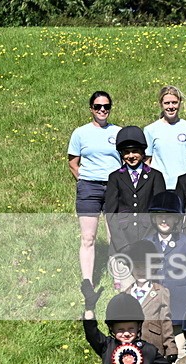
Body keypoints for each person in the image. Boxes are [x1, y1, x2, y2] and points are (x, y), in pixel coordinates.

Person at [121, 240, 178, 364]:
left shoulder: (161, 292)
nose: (141, 271)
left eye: (145, 266)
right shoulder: (126, 293)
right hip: (131, 347)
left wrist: (170, 346)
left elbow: (166, 319)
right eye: (137, 267)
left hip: (154, 343)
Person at [68, 90, 122, 285]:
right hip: (89, 189)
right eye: (98, 106)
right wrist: (85, 181)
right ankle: (88, 281)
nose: (102, 110)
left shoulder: (118, 132)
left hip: (114, 188)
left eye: (106, 106)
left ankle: (118, 276)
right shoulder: (80, 133)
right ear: (91, 108)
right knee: (88, 237)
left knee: (114, 235)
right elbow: (73, 163)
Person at [146, 191, 186, 362]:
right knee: (157, 352)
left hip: (180, 303)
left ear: (177, 219)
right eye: (160, 216)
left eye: (169, 216)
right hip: (155, 305)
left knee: (179, 353)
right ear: (153, 219)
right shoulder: (147, 242)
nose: (164, 220)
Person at [104, 126, 166, 255]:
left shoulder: (155, 176)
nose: (131, 156)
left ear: (143, 152)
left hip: (149, 240)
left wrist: (149, 242)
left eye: (135, 151)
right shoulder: (115, 177)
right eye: (126, 152)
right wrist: (122, 245)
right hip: (123, 241)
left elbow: (159, 212)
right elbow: (111, 213)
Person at [144, 85, 186, 190]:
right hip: (160, 186)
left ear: (180, 103)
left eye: (174, 102)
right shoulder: (150, 130)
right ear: (161, 104)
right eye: (167, 103)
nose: (171, 106)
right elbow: (147, 161)